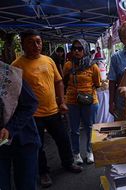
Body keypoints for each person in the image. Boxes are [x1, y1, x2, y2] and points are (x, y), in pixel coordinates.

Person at [12, 29, 82, 188]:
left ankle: (68, 162)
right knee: (38, 145)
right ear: (23, 45)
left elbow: (59, 82)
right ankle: (43, 172)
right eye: (31, 42)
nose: (36, 45)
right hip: (32, 115)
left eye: (38, 41)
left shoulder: (48, 61)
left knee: (63, 139)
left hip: (54, 111)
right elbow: (12, 92)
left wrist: (62, 102)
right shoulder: (16, 66)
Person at [0, 61, 40, 190]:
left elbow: (30, 103)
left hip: (23, 140)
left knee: (25, 184)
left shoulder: (10, 75)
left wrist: (10, 129)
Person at [63, 39, 101, 165]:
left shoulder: (93, 66)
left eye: (80, 48)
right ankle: (76, 154)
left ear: (84, 50)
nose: (76, 51)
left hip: (89, 101)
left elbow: (97, 83)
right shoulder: (68, 65)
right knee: (74, 129)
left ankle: (90, 152)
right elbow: (64, 82)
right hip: (72, 101)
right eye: (74, 48)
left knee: (89, 127)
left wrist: (85, 92)